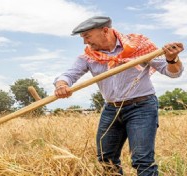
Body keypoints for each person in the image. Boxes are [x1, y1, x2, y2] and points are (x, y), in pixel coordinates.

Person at [53, 16, 184, 175]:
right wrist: (62, 85)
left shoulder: (137, 46)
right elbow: (69, 75)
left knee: (142, 159)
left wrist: (172, 59)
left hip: (141, 108)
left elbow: (172, 73)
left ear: (105, 31)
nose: (85, 42)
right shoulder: (89, 56)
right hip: (111, 109)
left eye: (87, 36)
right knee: (105, 158)